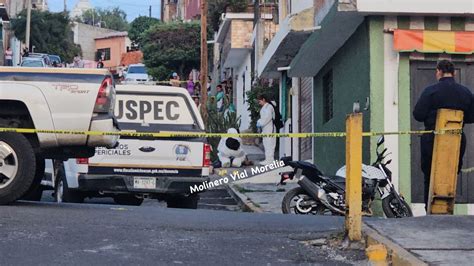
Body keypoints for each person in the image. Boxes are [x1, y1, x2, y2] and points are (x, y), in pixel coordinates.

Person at [413, 60, 474, 210]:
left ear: (438, 71)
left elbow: (418, 115)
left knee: (430, 175)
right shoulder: (465, 92)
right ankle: (448, 208)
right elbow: (472, 117)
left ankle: (430, 209)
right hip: (457, 138)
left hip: (432, 138)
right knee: (451, 174)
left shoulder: (430, 91)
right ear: (453, 73)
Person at [256, 94, 276, 165]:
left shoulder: (269, 107)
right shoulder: (266, 107)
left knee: (269, 144)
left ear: (264, 99)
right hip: (266, 128)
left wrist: (260, 122)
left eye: (260, 101)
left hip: (269, 128)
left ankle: (270, 160)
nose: (259, 103)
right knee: (266, 144)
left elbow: (267, 117)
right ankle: (268, 159)